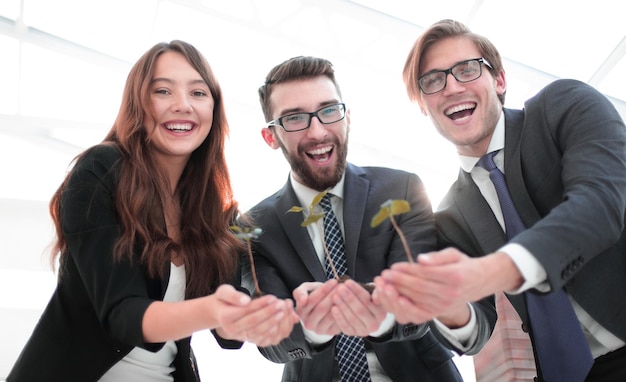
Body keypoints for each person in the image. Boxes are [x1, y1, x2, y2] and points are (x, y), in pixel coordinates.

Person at [7, 40, 297, 382]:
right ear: (138, 104)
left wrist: (278, 311)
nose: (183, 105)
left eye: (198, 93)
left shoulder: (214, 210)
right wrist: (211, 308)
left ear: (214, 110)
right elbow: (123, 316)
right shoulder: (100, 171)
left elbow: (228, 336)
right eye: (163, 91)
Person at [374, 19, 626, 382]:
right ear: (424, 106)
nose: (451, 87)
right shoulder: (448, 216)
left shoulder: (563, 108)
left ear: (500, 80)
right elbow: (476, 330)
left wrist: (496, 269)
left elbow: (598, 206)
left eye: (466, 69)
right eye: (432, 81)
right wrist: (446, 304)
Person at [241, 55, 496, 382]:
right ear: (271, 137)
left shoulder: (402, 189)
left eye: (329, 110)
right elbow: (271, 340)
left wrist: (382, 319)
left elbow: (420, 293)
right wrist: (311, 328)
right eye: (294, 119)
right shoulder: (253, 229)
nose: (317, 131)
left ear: (347, 118)